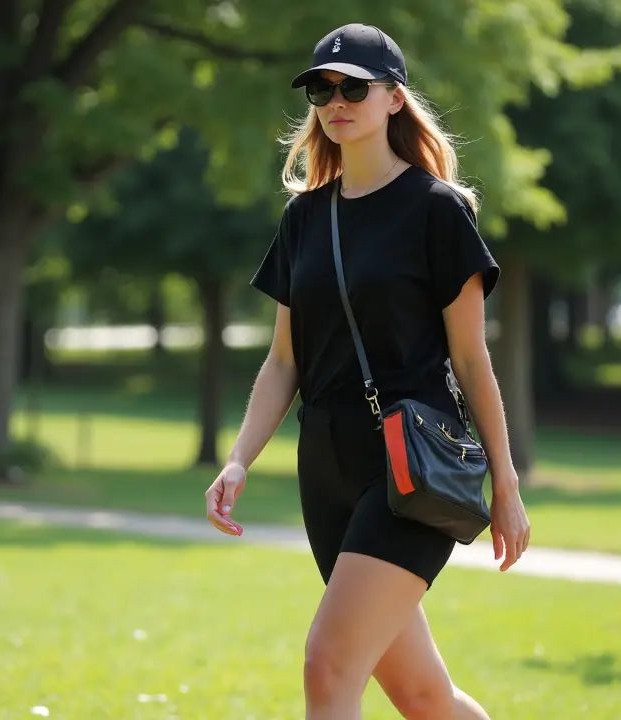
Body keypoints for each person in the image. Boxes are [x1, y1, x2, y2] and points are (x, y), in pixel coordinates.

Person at [203, 23, 531, 720]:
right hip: (324, 465)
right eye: (323, 88)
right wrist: (238, 460)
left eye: (354, 86)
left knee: (329, 666)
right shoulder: (303, 220)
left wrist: (505, 483)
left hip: (407, 465)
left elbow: (473, 360)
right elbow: (284, 360)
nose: (336, 100)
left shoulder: (438, 213)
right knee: (423, 696)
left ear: (392, 99)